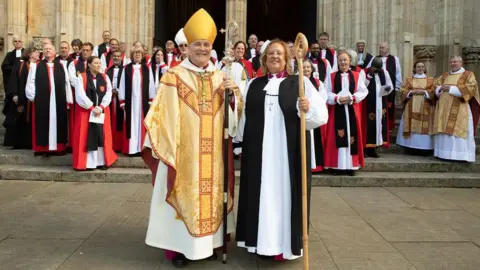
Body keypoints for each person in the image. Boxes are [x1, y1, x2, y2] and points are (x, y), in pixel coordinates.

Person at [142, 8, 243, 267]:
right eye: (197, 44)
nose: (202, 48)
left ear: (212, 48)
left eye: (206, 44)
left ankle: (207, 245)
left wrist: (234, 99)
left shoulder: (222, 76)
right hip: (184, 154)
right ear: (186, 48)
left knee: (211, 197)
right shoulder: (173, 77)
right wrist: (171, 146)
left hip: (213, 158)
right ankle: (178, 250)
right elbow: (160, 115)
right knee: (183, 195)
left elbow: (232, 124)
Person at [235, 39, 328, 260]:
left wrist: (307, 108)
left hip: (287, 155)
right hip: (259, 154)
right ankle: (261, 244)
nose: (275, 56)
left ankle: (284, 247)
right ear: (264, 59)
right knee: (261, 196)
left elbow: (320, 117)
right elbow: (245, 118)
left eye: (279, 53)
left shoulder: (300, 83)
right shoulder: (254, 85)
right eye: (271, 54)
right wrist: (238, 143)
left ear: (287, 59)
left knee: (283, 197)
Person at [323, 50, 368, 175]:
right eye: (340, 60)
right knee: (337, 136)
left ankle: (351, 166)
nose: (343, 62)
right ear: (337, 62)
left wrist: (352, 98)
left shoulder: (357, 75)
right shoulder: (331, 76)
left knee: (351, 136)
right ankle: (337, 166)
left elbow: (363, 91)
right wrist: (336, 98)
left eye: (345, 60)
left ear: (349, 61)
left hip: (351, 110)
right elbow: (326, 92)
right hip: (337, 110)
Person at [25, 43, 72, 156]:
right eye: (45, 49)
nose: (47, 51)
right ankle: (43, 148)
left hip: (58, 99)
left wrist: (68, 99)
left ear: (54, 51)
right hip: (43, 100)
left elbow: (67, 82)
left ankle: (58, 148)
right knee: (43, 123)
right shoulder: (36, 66)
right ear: (43, 52)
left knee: (59, 123)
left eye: (50, 49)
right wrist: (33, 97)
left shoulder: (61, 65)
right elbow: (30, 82)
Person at [72, 56, 117, 170]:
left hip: (101, 111)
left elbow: (108, 93)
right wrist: (92, 108)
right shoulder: (81, 77)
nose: (98, 65)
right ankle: (88, 164)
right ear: (89, 65)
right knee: (86, 136)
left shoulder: (105, 77)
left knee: (102, 135)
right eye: (96, 63)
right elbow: (80, 95)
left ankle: (102, 161)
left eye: (99, 63)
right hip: (86, 112)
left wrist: (101, 107)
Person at [433, 56, 479, 162]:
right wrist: (440, 88)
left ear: (461, 63)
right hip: (444, 108)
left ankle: (459, 155)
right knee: (444, 128)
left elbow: (471, 88)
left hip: (460, 107)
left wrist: (451, 88)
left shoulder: (468, 74)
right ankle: (443, 154)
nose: (453, 64)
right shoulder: (445, 75)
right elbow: (435, 86)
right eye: (451, 62)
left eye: (455, 62)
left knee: (457, 130)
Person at [118, 45, 155, 156]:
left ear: (142, 55)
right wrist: (122, 100)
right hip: (131, 103)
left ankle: (141, 148)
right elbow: (122, 85)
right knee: (131, 124)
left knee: (142, 124)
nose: (138, 55)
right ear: (132, 55)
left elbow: (151, 84)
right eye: (135, 53)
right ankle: (131, 149)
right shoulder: (126, 68)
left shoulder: (147, 68)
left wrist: (150, 99)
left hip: (142, 102)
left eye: (139, 53)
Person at [396, 61, 435, 154]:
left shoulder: (430, 80)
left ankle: (424, 148)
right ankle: (410, 147)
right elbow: (402, 90)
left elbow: (434, 91)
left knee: (424, 126)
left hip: (425, 107)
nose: (420, 68)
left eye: (422, 67)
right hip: (411, 105)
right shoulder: (409, 79)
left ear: (425, 68)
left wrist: (424, 92)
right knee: (411, 125)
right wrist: (410, 92)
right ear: (414, 68)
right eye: (418, 67)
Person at [367, 41, 402, 135]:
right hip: (377, 87)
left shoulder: (394, 59)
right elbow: (367, 69)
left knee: (389, 107)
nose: (381, 49)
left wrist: (397, 87)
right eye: (380, 47)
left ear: (388, 48)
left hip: (390, 87)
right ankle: (377, 125)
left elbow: (398, 73)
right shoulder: (375, 58)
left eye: (383, 47)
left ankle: (389, 126)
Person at [6, 47, 38, 149]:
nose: (38, 54)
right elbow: (14, 78)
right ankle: (20, 143)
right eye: (36, 52)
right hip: (22, 97)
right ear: (29, 54)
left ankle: (32, 142)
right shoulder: (20, 65)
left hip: (35, 98)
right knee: (21, 118)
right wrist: (14, 94)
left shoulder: (39, 65)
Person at [363, 57, 394, 158]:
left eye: (378, 69)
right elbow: (362, 86)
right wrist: (369, 75)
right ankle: (366, 149)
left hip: (381, 103)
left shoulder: (384, 73)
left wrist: (388, 89)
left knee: (379, 125)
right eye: (374, 68)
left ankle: (374, 148)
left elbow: (390, 86)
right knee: (369, 125)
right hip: (368, 103)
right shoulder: (365, 72)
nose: (376, 70)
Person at [304, 59, 328, 173]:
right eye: (304, 67)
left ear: (312, 69)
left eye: (308, 67)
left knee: (315, 141)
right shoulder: (295, 81)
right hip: (301, 115)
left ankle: (316, 165)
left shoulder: (318, 83)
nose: (306, 69)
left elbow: (323, 98)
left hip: (313, 115)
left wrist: (312, 106)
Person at [2, 35, 25, 146]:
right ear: (12, 43)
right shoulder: (9, 55)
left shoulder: (26, 53)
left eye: (19, 41)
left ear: (22, 42)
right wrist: (15, 68)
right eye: (15, 41)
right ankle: (11, 141)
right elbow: (5, 67)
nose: (17, 43)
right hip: (13, 88)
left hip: (24, 89)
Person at [105, 51, 125, 152]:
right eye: (114, 56)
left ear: (121, 58)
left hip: (121, 99)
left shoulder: (125, 70)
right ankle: (111, 145)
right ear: (112, 58)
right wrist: (110, 91)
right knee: (111, 120)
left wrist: (119, 92)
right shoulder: (107, 70)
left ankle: (119, 145)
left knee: (120, 120)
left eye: (118, 56)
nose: (116, 58)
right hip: (110, 99)